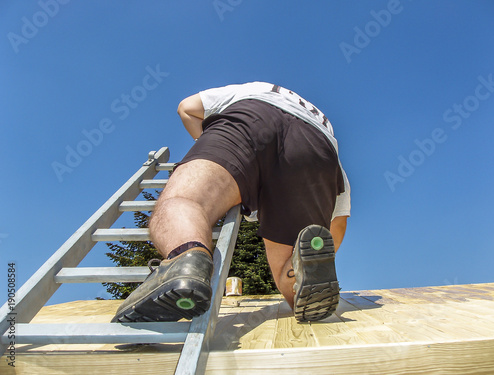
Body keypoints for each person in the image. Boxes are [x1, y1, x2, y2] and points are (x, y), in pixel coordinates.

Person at [111, 82, 351, 323]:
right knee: (287, 269)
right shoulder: (320, 120)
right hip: (319, 148)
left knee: (186, 200)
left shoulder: (257, 87)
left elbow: (187, 107)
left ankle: (186, 259)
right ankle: (300, 273)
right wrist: (322, 249)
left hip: (251, 119)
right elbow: (338, 220)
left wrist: (216, 159)